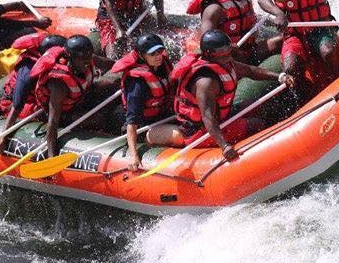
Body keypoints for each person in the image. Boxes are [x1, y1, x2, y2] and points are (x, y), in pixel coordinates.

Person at [147, 30, 294, 161]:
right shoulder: (205, 82)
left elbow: (250, 71)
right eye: (223, 54)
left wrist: (279, 77)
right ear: (210, 55)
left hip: (222, 116)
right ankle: (268, 157)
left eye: (228, 52)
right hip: (201, 131)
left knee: (257, 105)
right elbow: (207, 117)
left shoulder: (224, 62)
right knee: (256, 124)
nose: (228, 57)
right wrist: (224, 146)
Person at [29, 35, 115, 158]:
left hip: (80, 98)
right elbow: (53, 122)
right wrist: (51, 154)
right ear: (70, 57)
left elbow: (110, 64)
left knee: (111, 84)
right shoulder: (59, 84)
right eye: (83, 58)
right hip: (65, 115)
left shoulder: (85, 57)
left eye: (89, 56)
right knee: (100, 118)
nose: (87, 61)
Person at [187, 0, 281, 64]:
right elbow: (206, 42)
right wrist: (229, 47)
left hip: (249, 50)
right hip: (228, 58)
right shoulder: (214, 9)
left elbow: (250, 19)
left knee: (281, 40)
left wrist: (274, 20)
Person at [110, 33, 173, 171]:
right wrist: (134, 156)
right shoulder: (137, 83)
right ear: (141, 55)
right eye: (152, 54)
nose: (158, 56)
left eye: (160, 51)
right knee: (178, 136)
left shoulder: (163, 64)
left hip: (162, 115)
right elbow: (131, 122)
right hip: (142, 126)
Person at [0, 32, 67, 128]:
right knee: (60, 116)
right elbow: (17, 105)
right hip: (15, 106)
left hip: (36, 100)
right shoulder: (28, 71)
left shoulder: (46, 59)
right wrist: (3, 139)